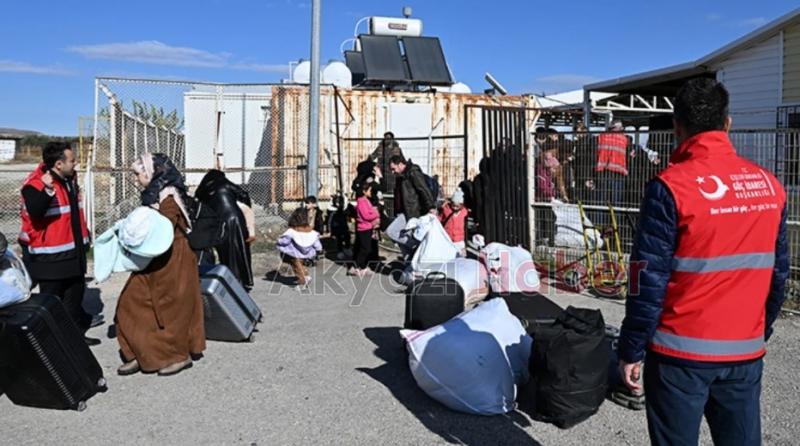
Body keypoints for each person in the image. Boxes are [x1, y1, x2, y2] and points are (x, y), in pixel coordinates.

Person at [618, 78, 788, 446]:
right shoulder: (769, 186)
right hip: (744, 351)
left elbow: (643, 277)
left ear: (676, 127)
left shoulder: (669, 187)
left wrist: (631, 348)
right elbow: (779, 275)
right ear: (727, 123)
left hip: (678, 354)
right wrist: (759, 329)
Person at [116, 153, 206, 376]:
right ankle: (139, 352)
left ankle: (178, 356)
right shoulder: (153, 194)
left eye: (138, 174)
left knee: (171, 309)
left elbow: (165, 227)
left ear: (152, 172)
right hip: (153, 255)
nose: (135, 179)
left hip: (174, 257)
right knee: (130, 301)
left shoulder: (168, 195)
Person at [18, 142, 99, 346]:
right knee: (51, 302)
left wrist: (84, 238)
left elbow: (72, 213)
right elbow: (36, 212)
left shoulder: (69, 179)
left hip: (73, 252)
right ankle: (49, 344)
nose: (76, 163)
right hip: (50, 257)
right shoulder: (35, 183)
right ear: (59, 164)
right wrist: (47, 189)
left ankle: (75, 339)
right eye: (72, 160)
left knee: (74, 297)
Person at [194, 169, 254, 289]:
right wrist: (242, 205)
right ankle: (244, 280)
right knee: (240, 249)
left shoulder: (203, 189)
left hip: (218, 222)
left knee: (224, 251)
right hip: (235, 220)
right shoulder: (225, 183)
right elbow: (244, 195)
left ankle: (229, 279)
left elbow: (198, 203)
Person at [276, 208, 322, 288]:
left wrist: (279, 241)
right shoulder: (311, 231)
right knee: (300, 264)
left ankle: (303, 279)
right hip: (307, 253)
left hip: (295, 253)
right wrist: (318, 250)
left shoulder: (292, 231)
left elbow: (284, 241)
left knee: (296, 265)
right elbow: (317, 244)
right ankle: (306, 276)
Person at [387, 155, 436, 220]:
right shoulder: (401, 177)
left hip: (415, 212)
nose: (393, 172)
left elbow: (423, 189)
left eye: (393, 169)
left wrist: (431, 207)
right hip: (405, 213)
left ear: (400, 164)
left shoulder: (413, 173)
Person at [595, 119, 629, 206]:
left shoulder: (601, 137)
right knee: (616, 200)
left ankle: (599, 215)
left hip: (603, 171)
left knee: (601, 199)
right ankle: (616, 214)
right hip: (619, 171)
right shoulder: (624, 139)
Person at [350, 183, 380, 277]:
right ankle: (358, 266)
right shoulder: (362, 201)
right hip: (363, 228)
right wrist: (376, 214)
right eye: (369, 190)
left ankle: (361, 266)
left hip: (368, 227)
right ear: (364, 191)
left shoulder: (366, 201)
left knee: (366, 248)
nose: (371, 192)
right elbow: (366, 216)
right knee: (366, 249)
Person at [369, 131, 404, 195]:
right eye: (385, 138)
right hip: (383, 172)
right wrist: (367, 162)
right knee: (384, 188)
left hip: (393, 172)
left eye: (388, 138)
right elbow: (373, 156)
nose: (387, 139)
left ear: (392, 139)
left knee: (393, 189)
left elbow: (402, 159)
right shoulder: (380, 148)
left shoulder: (397, 148)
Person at [439, 188, 469, 256]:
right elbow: (440, 219)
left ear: (461, 205)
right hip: (448, 238)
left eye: (457, 206)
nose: (455, 208)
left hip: (460, 240)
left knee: (461, 258)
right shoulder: (446, 210)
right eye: (453, 205)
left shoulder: (464, 212)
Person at [327, 194, 353, 260]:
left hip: (344, 227)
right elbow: (330, 221)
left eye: (339, 202)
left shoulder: (343, 209)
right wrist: (330, 230)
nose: (338, 204)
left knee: (347, 237)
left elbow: (347, 208)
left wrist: (345, 197)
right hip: (336, 228)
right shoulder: (331, 210)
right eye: (336, 202)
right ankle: (340, 251)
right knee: (339, 240)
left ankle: (347, 248)